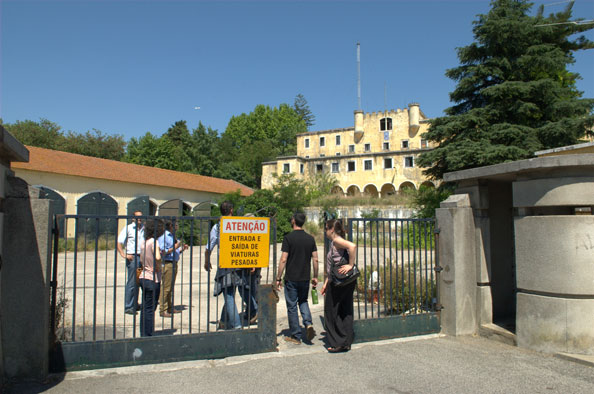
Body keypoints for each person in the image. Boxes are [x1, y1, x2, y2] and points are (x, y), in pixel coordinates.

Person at [276, 212, 319, 344]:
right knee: (303, 301)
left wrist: (278, 278)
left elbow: (283, 259)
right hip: (305, 277)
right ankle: (308, 323)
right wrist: (316, 276)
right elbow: (316, 259)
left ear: (294, 221)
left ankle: (296, 335)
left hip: (292, 278)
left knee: (292, 306)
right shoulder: (310, 239)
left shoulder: (288, 238)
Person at [204, 201, 243, 330]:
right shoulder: (239, 224)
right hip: (239, 263)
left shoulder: (218, 227)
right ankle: (224, 321)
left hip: (225, 264)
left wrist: (206, 260)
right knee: (230, 293)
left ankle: (235, 325)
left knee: (229, 294)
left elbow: (209, 246)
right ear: (231, 210)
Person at [321, 219, 357, 353]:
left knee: (331, 312)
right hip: (342, 281)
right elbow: (333, 266)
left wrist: (351, 265)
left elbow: (352, 246)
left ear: (331, 229)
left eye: (326, 228)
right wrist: (326, 282)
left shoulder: (336, 241)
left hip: (339, 283)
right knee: (345, 310)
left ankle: (338, 342)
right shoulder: (335, 242)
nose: (325, 231)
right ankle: (346, 341)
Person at [139, 218, 165, 337]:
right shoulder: (154, 242)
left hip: (143, 276)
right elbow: (158, 258)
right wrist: (159, 266)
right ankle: (148, 334)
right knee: (150, 308)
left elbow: (141, 259)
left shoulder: (144, 242)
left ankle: (143, 332)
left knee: (145, 307)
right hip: (152, 277)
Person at [158, 221, 188, 318]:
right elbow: (162, 251)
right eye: (176, 224)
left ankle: (170, 307)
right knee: (166, 288)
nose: (177, 226)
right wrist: (175, 247)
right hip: (167, 263)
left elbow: (174, 251)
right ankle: (163, 309)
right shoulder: (164, 236)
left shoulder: (173, 236)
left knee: (170, 287)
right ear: (171, 225)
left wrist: (181, 249)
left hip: (173, 263)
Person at [117, 211, 144, 315]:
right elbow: (119, 242)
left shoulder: (143, 228)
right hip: (133, 257)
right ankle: (129, 306)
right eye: (138, 217)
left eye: (141, 217)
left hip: (142, 257)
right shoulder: (128, 228)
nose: (140, 219)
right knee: (132, 282)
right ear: (133, 218)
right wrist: (123, 254)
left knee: (138, 281)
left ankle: (135, 304)